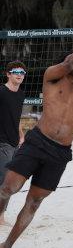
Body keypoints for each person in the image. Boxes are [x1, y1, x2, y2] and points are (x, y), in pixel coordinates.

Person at [0, 36, 73, 248]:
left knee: (34, 202)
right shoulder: (52, 78)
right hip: (37, 142)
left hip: (59, 153)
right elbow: (68, 64)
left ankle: (6, 246)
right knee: (9, 188)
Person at [0, 61, 26, 225]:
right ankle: (0, 217)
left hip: (14, 142)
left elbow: (16, 119)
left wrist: (21, 136)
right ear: (8, 74)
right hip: (1, 142)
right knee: (5, 180)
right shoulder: (1, 91)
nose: (19, 74)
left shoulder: (20, 94)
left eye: (22, 72)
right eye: (15, 71)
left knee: (9, 180)